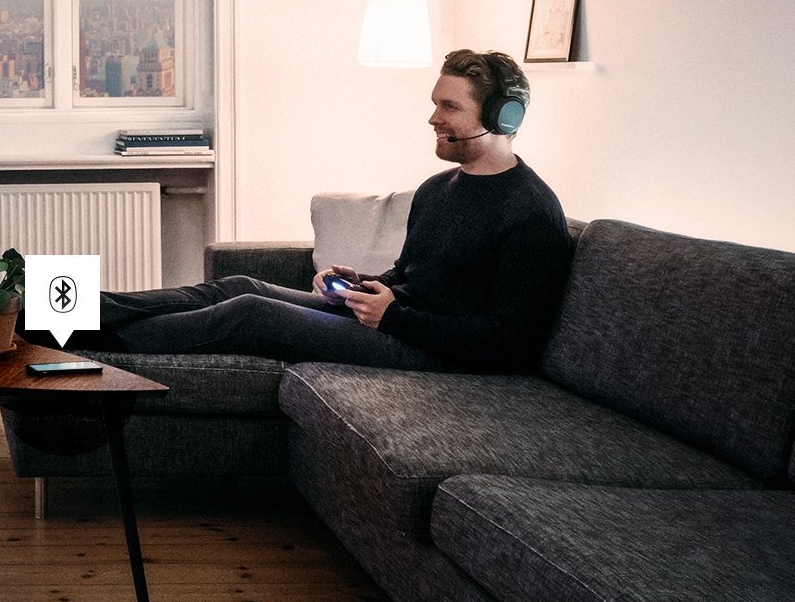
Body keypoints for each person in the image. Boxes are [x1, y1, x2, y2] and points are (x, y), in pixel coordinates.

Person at [65, 49, 572, 373]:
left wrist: (394, 316)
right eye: (435, 103)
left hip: (437, 355)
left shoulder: (531, 213)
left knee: (251, 314)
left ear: (501, 117)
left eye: (449, 108)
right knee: (241, 286)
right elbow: (412, 276)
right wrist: (365, 282)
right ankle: (65, 309)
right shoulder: (439, 188)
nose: (432, 118)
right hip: (398, 323)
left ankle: (81, 339)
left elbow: (511, 343)